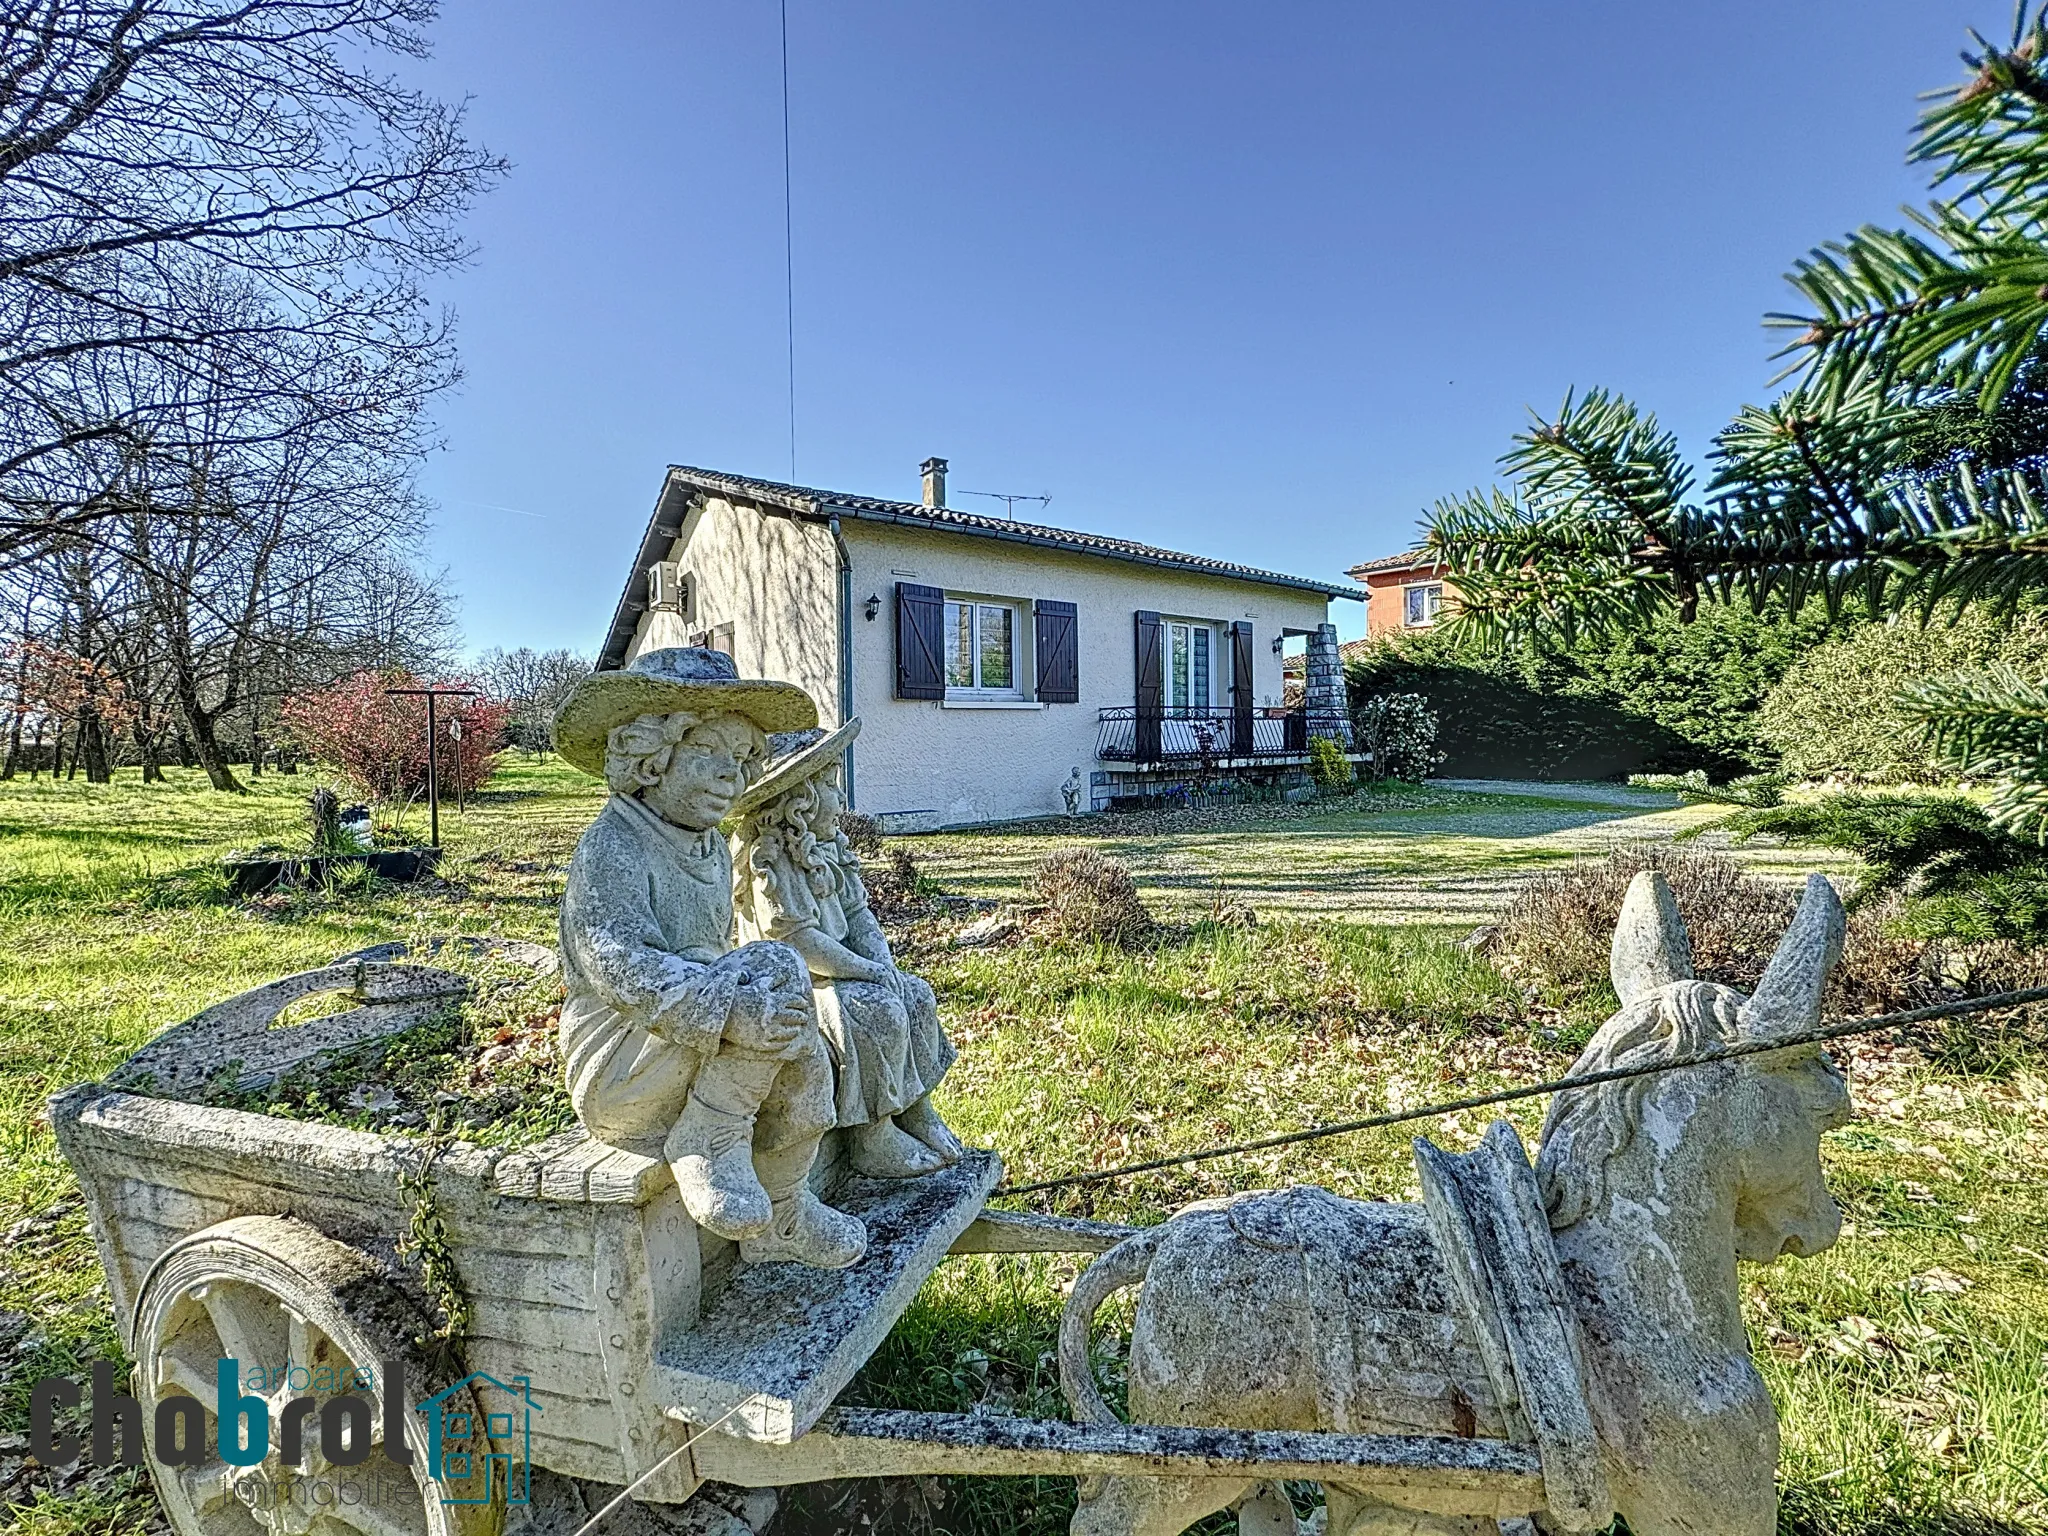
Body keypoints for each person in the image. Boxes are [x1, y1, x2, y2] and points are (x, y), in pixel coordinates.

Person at [550, 648, 865, 1269]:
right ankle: (710, 1137)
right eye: (708, 754)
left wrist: (752, 1009)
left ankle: (784, 1210)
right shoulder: (613, 844)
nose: (732, 776)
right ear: (649, 759)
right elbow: (617, 962)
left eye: (741, 759)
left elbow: (715, 952)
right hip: (624, 1061)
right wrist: (731, 1010)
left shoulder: (710, 848)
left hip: (695, 1041)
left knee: (787, 997)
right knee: (774, 977)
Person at [730, 721, 964, 1180]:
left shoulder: (829, 846)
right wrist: (864, 972)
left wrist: (881, 964)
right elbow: (799, 942)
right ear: (801, 801)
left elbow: (858, 916)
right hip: (794, 984)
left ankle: (916, 1110)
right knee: (873, 1012)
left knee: (914, 995)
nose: (841, 802)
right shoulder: (769, 858)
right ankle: (872, 1136)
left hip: (842, 969)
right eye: (832, 788)